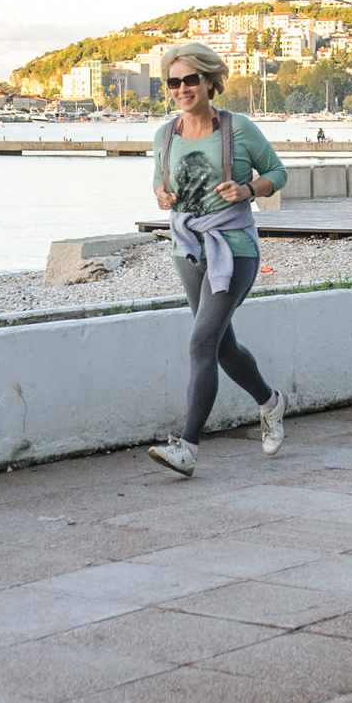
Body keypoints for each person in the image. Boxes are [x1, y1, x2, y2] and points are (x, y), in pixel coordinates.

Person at [148, 42, 288, 476]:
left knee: (201, 342)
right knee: (221, 345)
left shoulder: (237, 128)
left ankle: (187, 447)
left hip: (234, 248)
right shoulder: (165, 135)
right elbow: (159, 184)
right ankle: (270, 402)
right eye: (174, 82)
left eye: (191, 79)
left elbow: (277, 173)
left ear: (209, 80)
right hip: (188, 247)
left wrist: (247, 190)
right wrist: (162, 195)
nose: (182, 89)